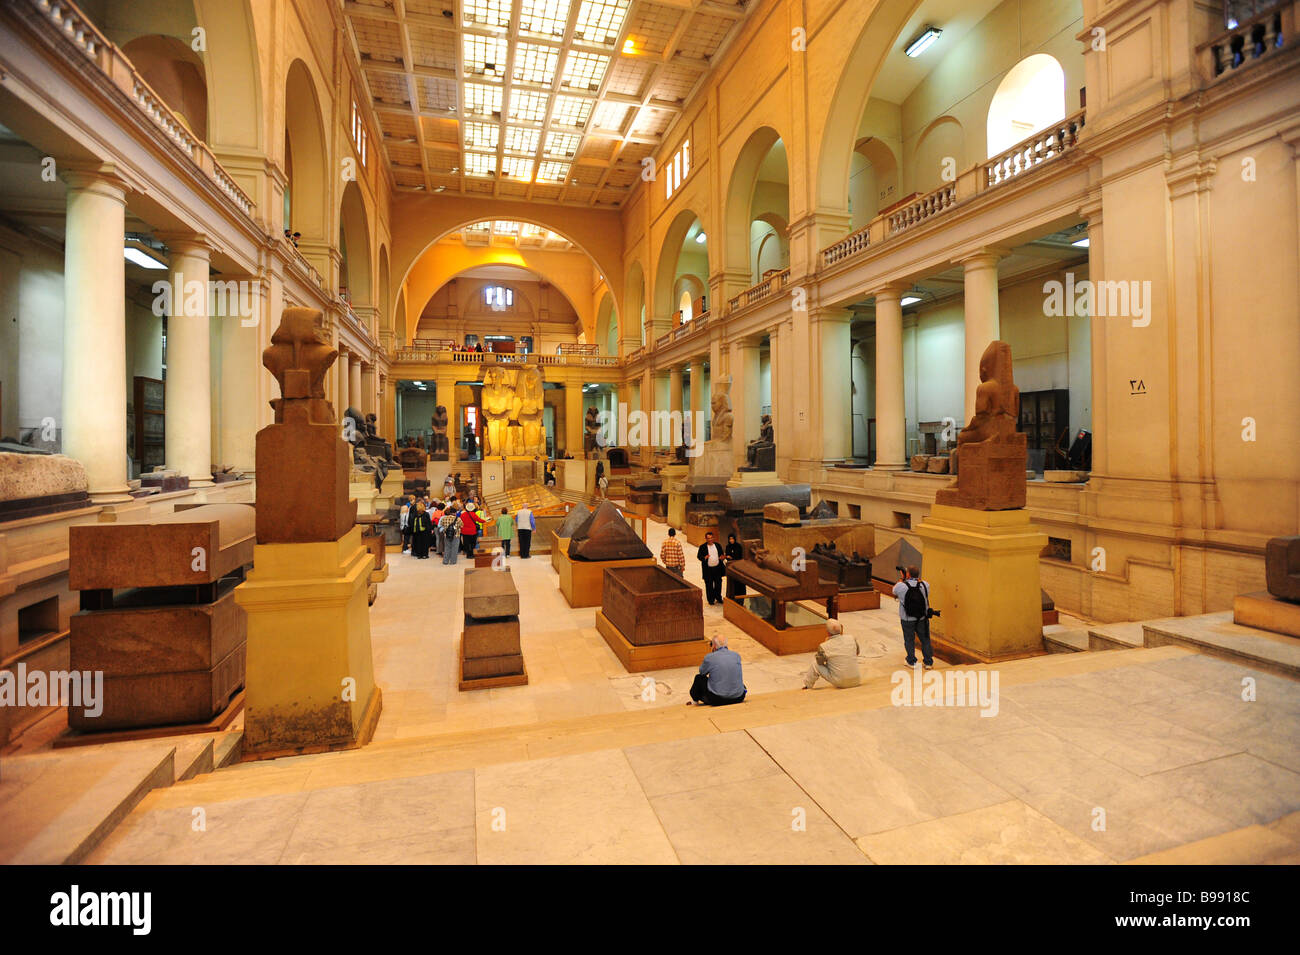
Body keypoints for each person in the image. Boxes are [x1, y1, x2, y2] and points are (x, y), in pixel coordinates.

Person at [893, 565, 934, 668]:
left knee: (909, 639)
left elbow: (894, 591)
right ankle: (928, 662)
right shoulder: (925, 585)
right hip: (922, 618)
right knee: (925, 639)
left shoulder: (901, 586)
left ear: (908, 574)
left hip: (907, 618)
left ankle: (911, 661)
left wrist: (902, 579)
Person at [688, 633, 746, 706]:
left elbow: (702, 672)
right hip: (739, 697)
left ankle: (695, 701)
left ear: (714, 645)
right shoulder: (736, 655)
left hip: (717, 700)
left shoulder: (709, 658)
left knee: (699, 678)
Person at [802, 619, 861, 689]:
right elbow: (857, 652)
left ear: (827, 632)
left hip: (841, 682)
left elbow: (820, 662)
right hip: (857, 679)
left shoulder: (824, 646)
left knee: (815, 665)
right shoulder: (851, 638)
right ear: (841, 629)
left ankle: (807, 685)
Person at [697, 531, 725, 605]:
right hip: (708, 570)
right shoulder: (702, 547)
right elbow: (699, 556)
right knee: (709, 585)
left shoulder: (718, 545)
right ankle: (711, 600)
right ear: (706, 539)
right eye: (708, 538)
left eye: (711, 538)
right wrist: (704, 558)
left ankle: (718, 597)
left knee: (718, 584)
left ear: (713, 538)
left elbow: (721, 554)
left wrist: (722, 557)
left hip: (717, 568)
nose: (710, 540)